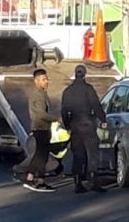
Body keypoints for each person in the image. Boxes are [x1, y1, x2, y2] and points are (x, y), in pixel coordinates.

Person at [61, 64, 107, 194]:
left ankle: (77, 182)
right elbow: (96, 105)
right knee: (92, 153)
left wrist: (67, 125)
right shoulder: (88, 89)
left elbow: (64, 110)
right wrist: (103, 119)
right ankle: (93, 180)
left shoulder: (68, 91)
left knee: (78, 154)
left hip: (75, 124)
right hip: (88, 123)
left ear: (75, 74)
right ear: (85, 74)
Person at [23, 68, 57, 193]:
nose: (46, 82)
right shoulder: (38, 95)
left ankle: (31, 176)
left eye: (47, 79)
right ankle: (40, 181)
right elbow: (41, 114)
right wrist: (55, 119)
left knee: (40, 153)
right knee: (42, 155)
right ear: (36, 81)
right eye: (43, 79)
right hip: (41, 127)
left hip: (41, 127)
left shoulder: (41, 93)